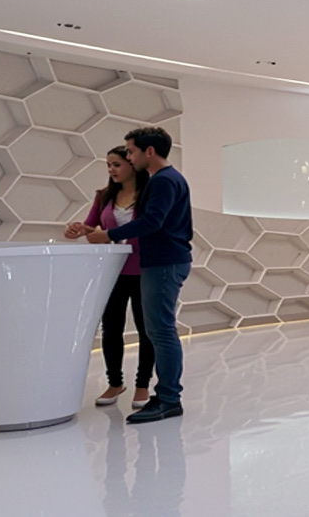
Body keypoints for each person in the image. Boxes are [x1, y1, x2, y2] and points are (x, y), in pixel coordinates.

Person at [66, 126, 191, 423]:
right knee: (156, 330)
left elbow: (152, 222)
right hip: (159, 262)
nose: (130, 157)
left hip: (163, 263)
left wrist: (109, 235)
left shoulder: (163, 180)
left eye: (132, 151)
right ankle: (165, 395)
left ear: (149, 151)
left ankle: (169, 399)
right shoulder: (164, 179)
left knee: (160, 331)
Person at [73, 146, 154, 407]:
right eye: (108, 165)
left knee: (146, 330)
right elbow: (92, 227)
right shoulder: (104, 196)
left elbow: (152, 226)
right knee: (111, 329)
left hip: (144, 270)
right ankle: (115, 383)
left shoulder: (149, 194)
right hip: (112, 271)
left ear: (132, 164)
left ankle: (142, 385)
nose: (111, 170)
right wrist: (79, 229)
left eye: (117, 164)